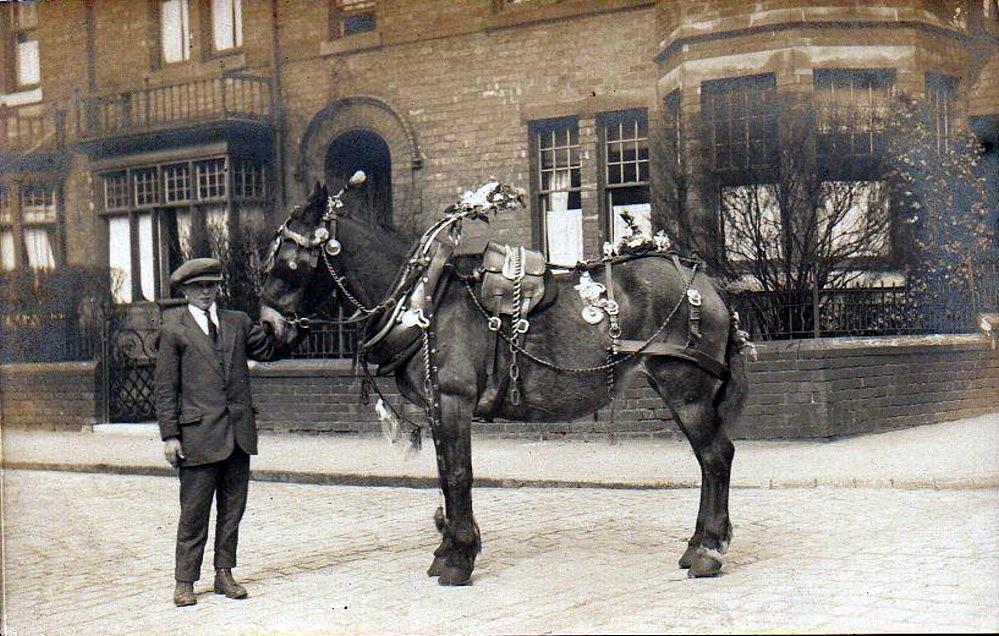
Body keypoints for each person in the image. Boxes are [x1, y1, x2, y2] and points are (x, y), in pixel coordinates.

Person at [155, 257, 291, 607]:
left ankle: (224, 573)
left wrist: (281, 326)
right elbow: (166, 388)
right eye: (198, 287)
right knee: (194, 512)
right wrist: (170, 435)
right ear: (185, 290)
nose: (206, 292)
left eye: (211, 286)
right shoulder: (174, 329)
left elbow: (269, 350)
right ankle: (184, 580)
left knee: (233, 511)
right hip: (197, 438)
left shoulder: (237, 322)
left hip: (238, 435)